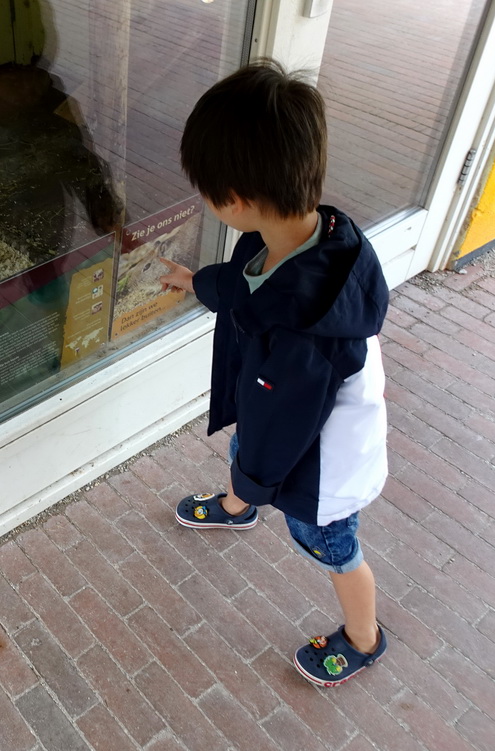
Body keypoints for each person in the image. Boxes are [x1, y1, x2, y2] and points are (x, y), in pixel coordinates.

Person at [159, 59, 390, 687]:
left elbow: (280, 423)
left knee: (334, 549)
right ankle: (240, 502)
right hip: (287, 420)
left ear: (233, 201)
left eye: (206, 191)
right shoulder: (313, 231)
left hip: (321, 470)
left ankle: (364, 637)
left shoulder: (299, 335)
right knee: (246, 450)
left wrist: (259, 479)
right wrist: (201, 283)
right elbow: (248, 280)